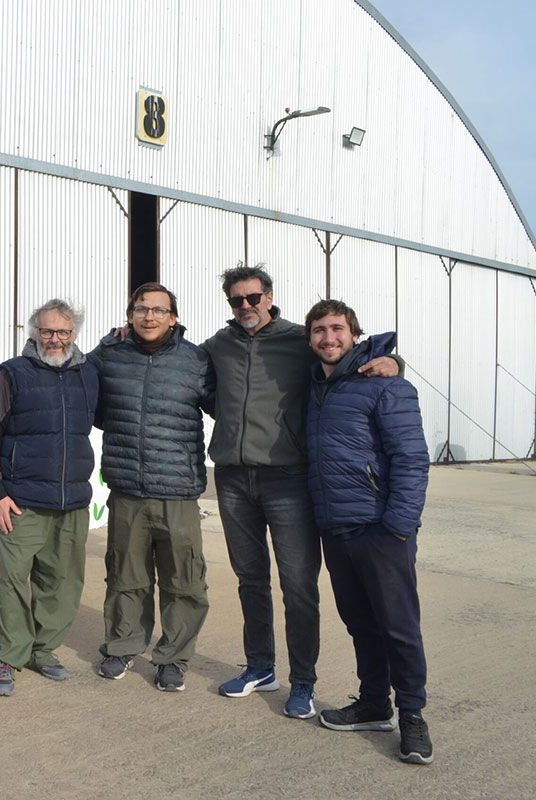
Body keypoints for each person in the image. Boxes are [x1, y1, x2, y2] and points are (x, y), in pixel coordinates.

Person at [204, 264, 400, 719]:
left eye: (253, 297)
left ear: (269, 296)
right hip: (233, 478)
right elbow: (185, 367)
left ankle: (303, 681)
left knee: (298, 585)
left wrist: (395, 361)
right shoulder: (220, 345)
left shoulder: (300, 340)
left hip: (287, 479)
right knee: (250, 579)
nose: (246, 306)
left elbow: (350, 358)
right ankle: (259, 667)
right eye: (237, 300)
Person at [303, 299, 433, 765]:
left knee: (399, 627)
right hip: (335, 528)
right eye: (318, 330)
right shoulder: (316, 385)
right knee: (360, 624)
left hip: (380, 529)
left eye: (337, 328)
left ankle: (413, 717)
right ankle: (375, 703)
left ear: (355, 335)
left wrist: (398, 526)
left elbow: (412, 459)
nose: (328, 337)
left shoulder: (385, 385)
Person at [90, 283, 214, 692]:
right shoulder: (109, 357)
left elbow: (237, 402)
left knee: (184, 580)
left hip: (178, 490)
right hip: (128, 489)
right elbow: (68, 379)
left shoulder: (196, 361)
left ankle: (173, 657)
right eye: (141, 308)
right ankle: (124, 644)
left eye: (159, 310)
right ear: (129, 315)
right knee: (126, 575)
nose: (149, 316)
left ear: (174, 318)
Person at [0, 299, 99, 696]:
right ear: (34, 332)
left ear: (74, 334)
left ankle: (42, 650)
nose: (55, 339)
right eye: (47, 331)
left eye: (63, 332)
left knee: (62, 583)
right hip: (22, 499)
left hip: (72, 500)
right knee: (14, 581)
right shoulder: (13, 374)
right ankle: (7, 658)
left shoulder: (88, 374)